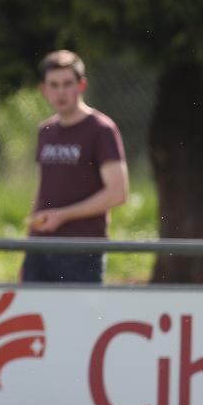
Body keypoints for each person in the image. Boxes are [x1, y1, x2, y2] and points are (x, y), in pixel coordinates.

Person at [22, 50, 129, 283]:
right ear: (44, 89)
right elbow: (44, 189)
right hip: (40, 249)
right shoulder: (45, 131)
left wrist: (62, 216)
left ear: (81, 85)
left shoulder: (101, 129)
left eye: (67, 84)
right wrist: (29, 241)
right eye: (54, 85)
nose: (61, 92)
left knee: (77, 320)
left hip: (81, 249)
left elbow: (117, 193)